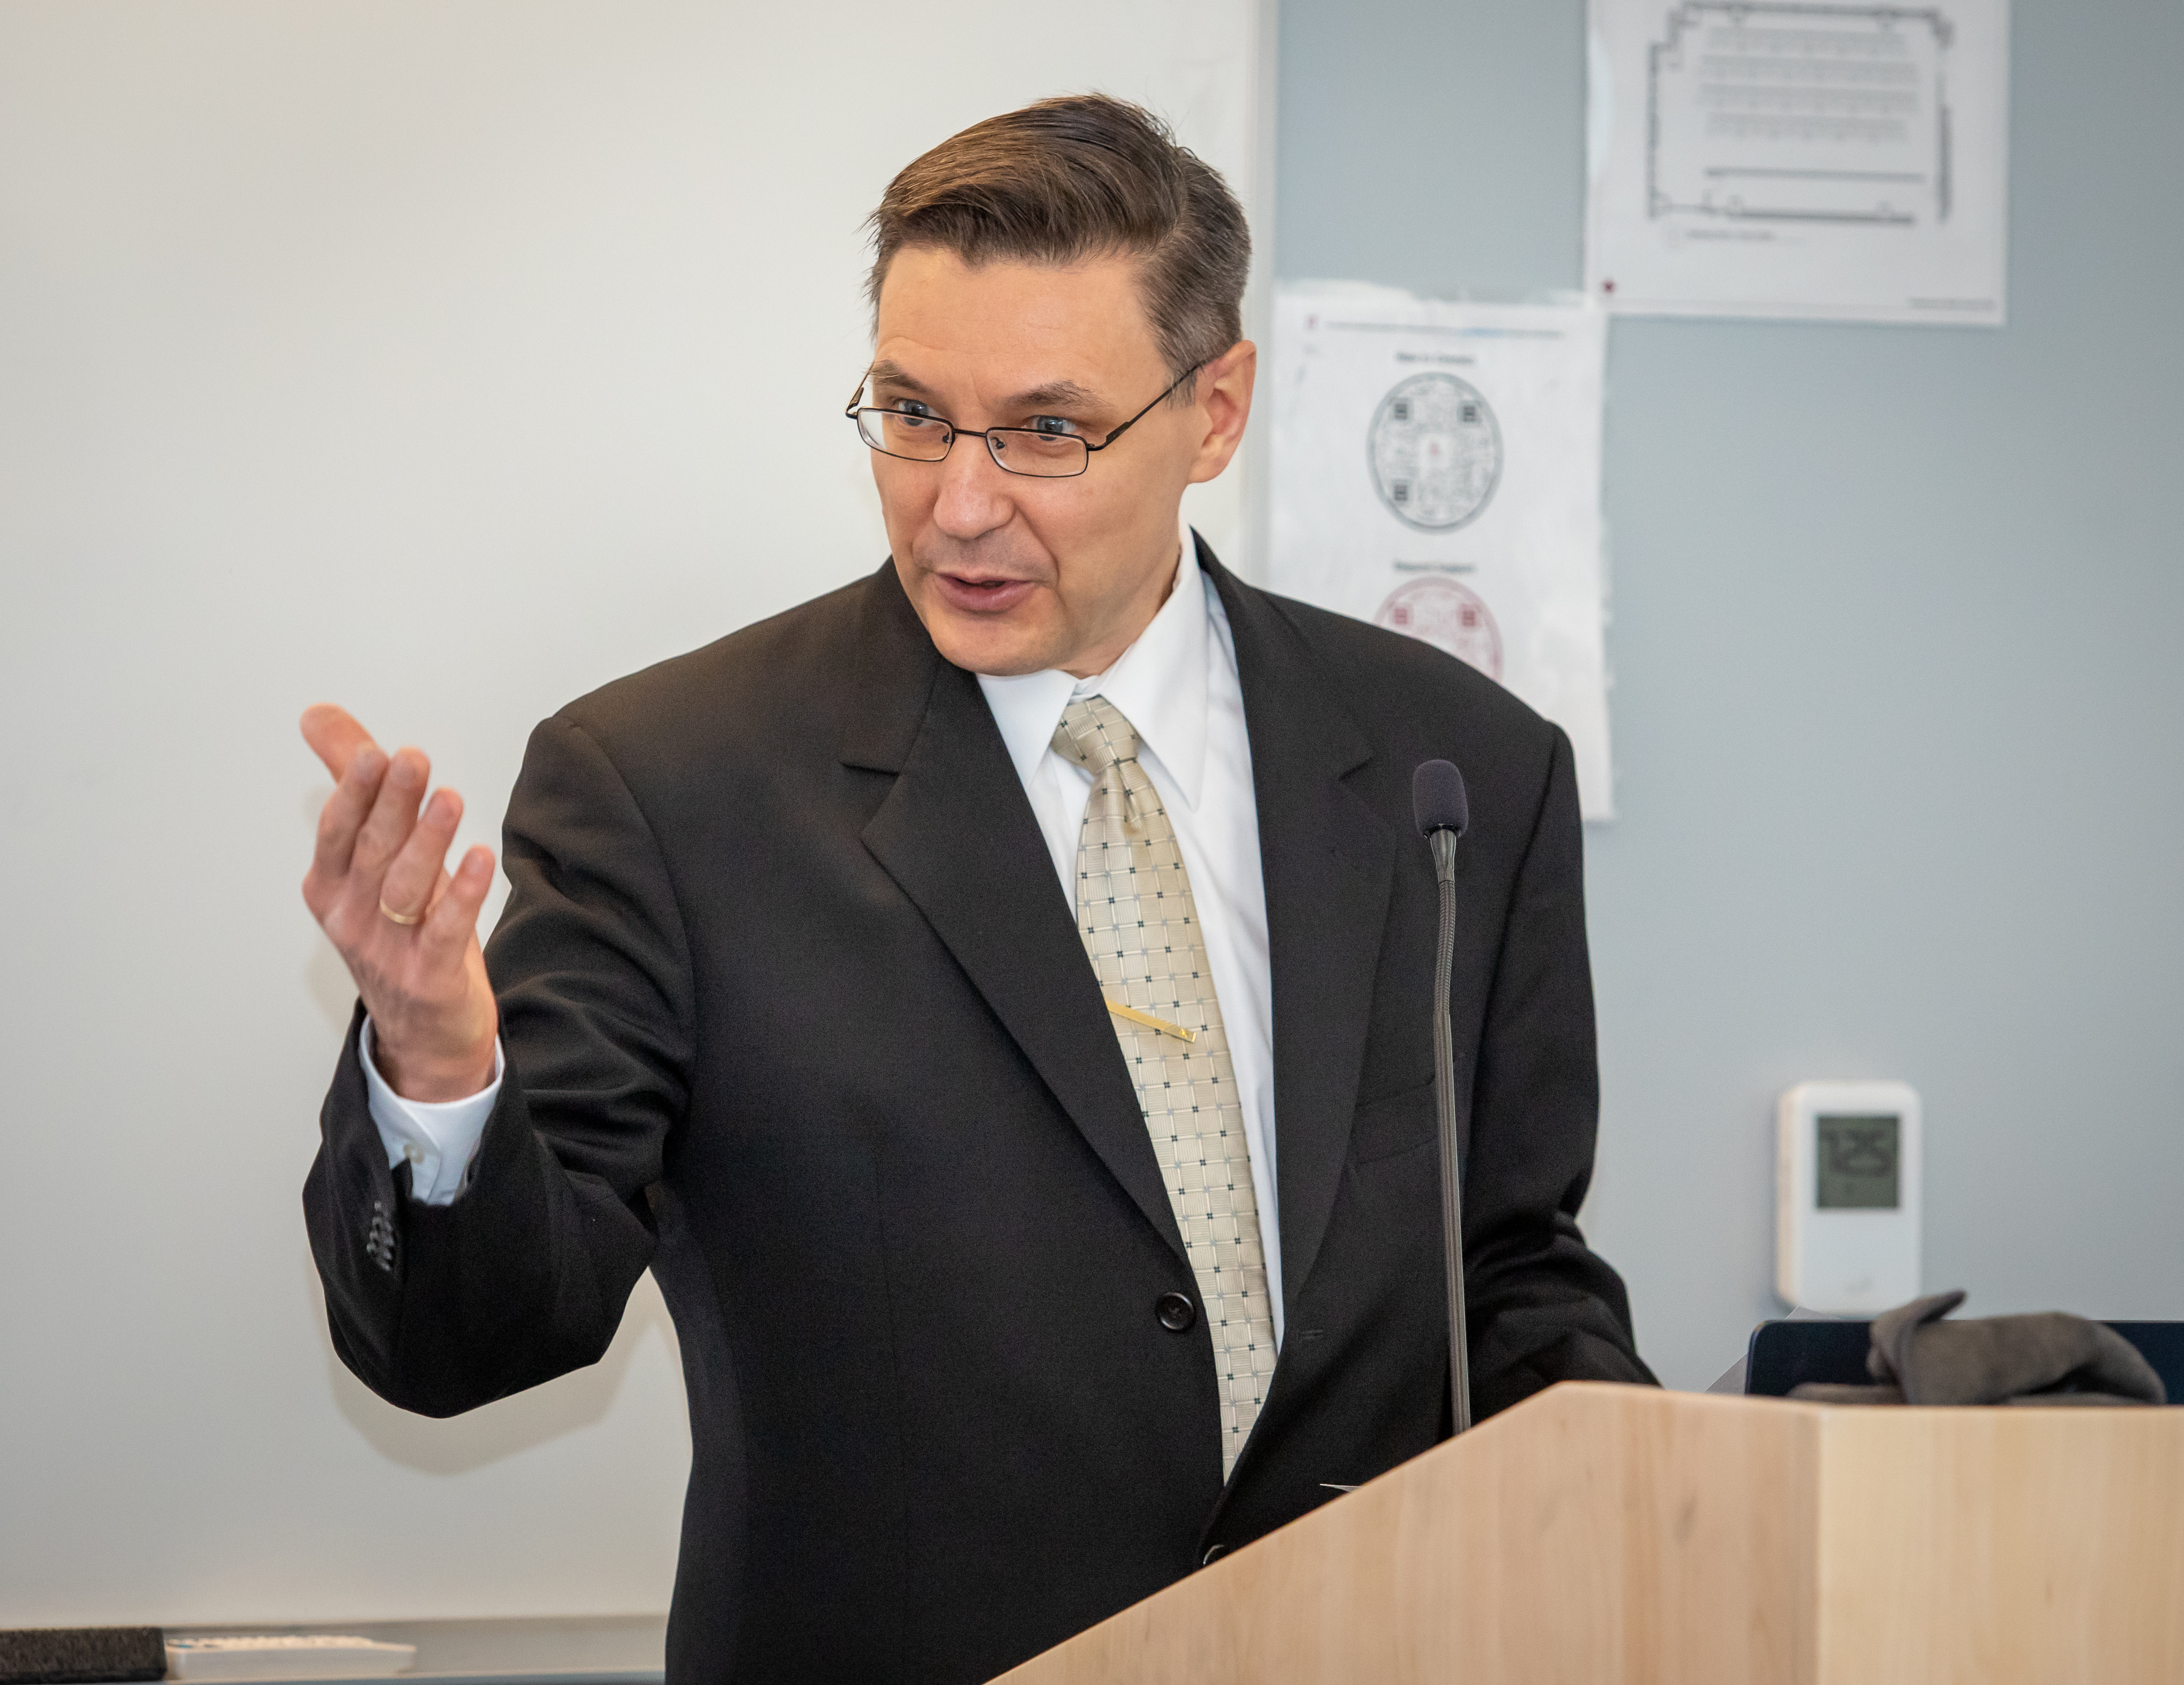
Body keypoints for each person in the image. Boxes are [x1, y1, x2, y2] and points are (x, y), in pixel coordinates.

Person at [300, 94, 1654, 1685]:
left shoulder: (1458, 771)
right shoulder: (672, 786)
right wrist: (444, 1071)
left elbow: (1504, 1263)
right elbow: (470, 1342)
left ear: (1213, 413)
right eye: (912, 412)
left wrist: (1650, 1519)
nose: (958, 501)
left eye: (1046, 430)